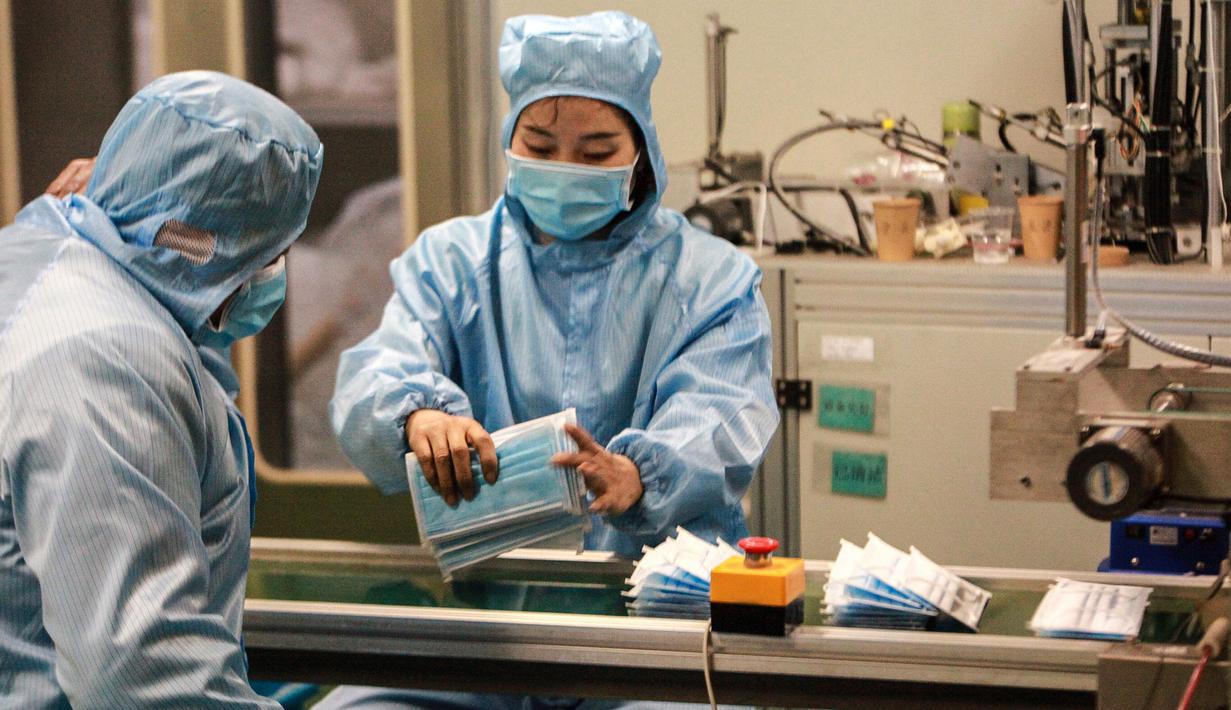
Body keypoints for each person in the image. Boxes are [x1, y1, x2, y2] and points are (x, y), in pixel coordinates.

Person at [324, 11, 775, 709]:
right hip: (483, 629)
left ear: (640, 152)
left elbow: (721, 416)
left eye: (597, 153)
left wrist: (640, 476)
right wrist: (414, 415)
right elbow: (379, 370)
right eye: (540, 144)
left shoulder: (708, 279)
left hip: (656, 628)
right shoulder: (452, 263)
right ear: (510, 141)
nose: (566, 170)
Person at [0, 71, 323, 708]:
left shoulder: (42, 255)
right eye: (270, 255)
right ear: (218, 247)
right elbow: (140, 675)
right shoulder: (107, 356)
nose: (272, 277)